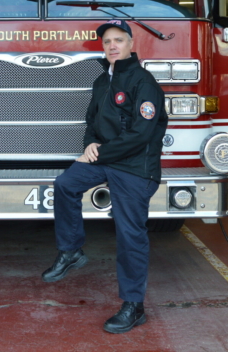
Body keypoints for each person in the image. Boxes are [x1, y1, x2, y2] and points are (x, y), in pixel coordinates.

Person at [42, 18, 167, 334]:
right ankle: (71, 251)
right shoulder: (102, 82)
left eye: (119, 40)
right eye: (107, 41)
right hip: (106, 158)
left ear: (131, 45)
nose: (112, 45)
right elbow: (91, 123)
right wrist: (90, 145)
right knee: (65, 184)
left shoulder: (144, 82)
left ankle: (134, 306)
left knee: (129, 235)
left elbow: (142, 135)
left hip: (136, 167)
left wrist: (101, 153)